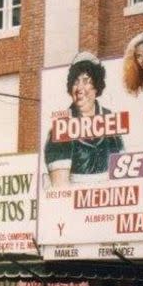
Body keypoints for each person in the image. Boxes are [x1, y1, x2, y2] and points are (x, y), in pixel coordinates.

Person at [44, 51, 124, 187]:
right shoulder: (61, 128)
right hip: (75, 205)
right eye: (75, 82)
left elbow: (122, 175)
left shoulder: (111, 120)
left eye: (86, 81)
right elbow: (60, 188)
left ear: (97, 86)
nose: (79, 88)